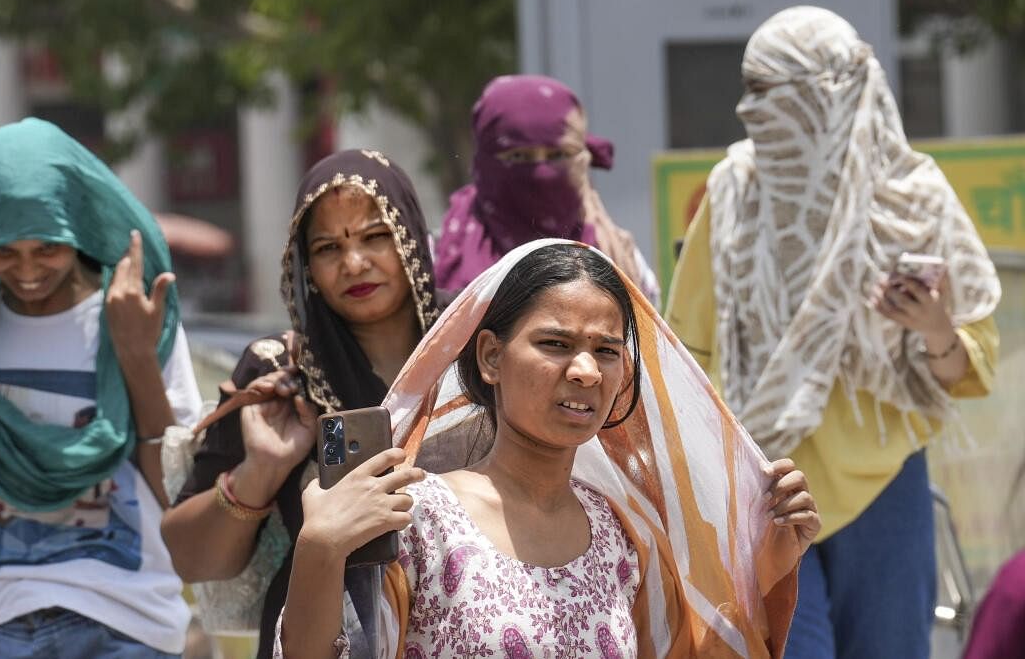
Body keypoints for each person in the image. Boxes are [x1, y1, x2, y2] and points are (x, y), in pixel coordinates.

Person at [276, 240, 818, 657]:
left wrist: (765, 555)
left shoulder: (620, 536)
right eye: (555, 344)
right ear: (490, 357)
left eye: (605, 351)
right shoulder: (419, 518)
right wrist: (320, 547)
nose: (585, 371)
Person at [665, 7, 1002, 659]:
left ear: (831, 93)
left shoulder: (912, 197)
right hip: (765, 486)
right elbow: (693, 353)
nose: (747, 110)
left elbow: (971, 365)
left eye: (768, 92)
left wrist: (932, 326)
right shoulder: (732, 192)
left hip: (884, 484)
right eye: (747, 88)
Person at [0, 118, 203, 657]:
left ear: (79, 229)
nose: (27, 270)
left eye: (47, 249)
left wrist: (134, 356)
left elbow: (174, 492)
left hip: (126, 621)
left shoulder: (135, 317)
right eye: (4, 252)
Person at [160, 149, 444, 657]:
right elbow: (188, 558)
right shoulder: (280, 374)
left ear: (411, 235)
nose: (354, 263)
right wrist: (262, 469)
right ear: (306, 265)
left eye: (375, 236)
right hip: (325, 634)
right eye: (328, 247)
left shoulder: (471, 346)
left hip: (464, 624)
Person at [434, 74, 661, 305]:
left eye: (558, 155)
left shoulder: (619, 260)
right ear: (485, 161)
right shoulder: (438, 255)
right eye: (519, 156)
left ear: (582, 158)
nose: (541, 173)